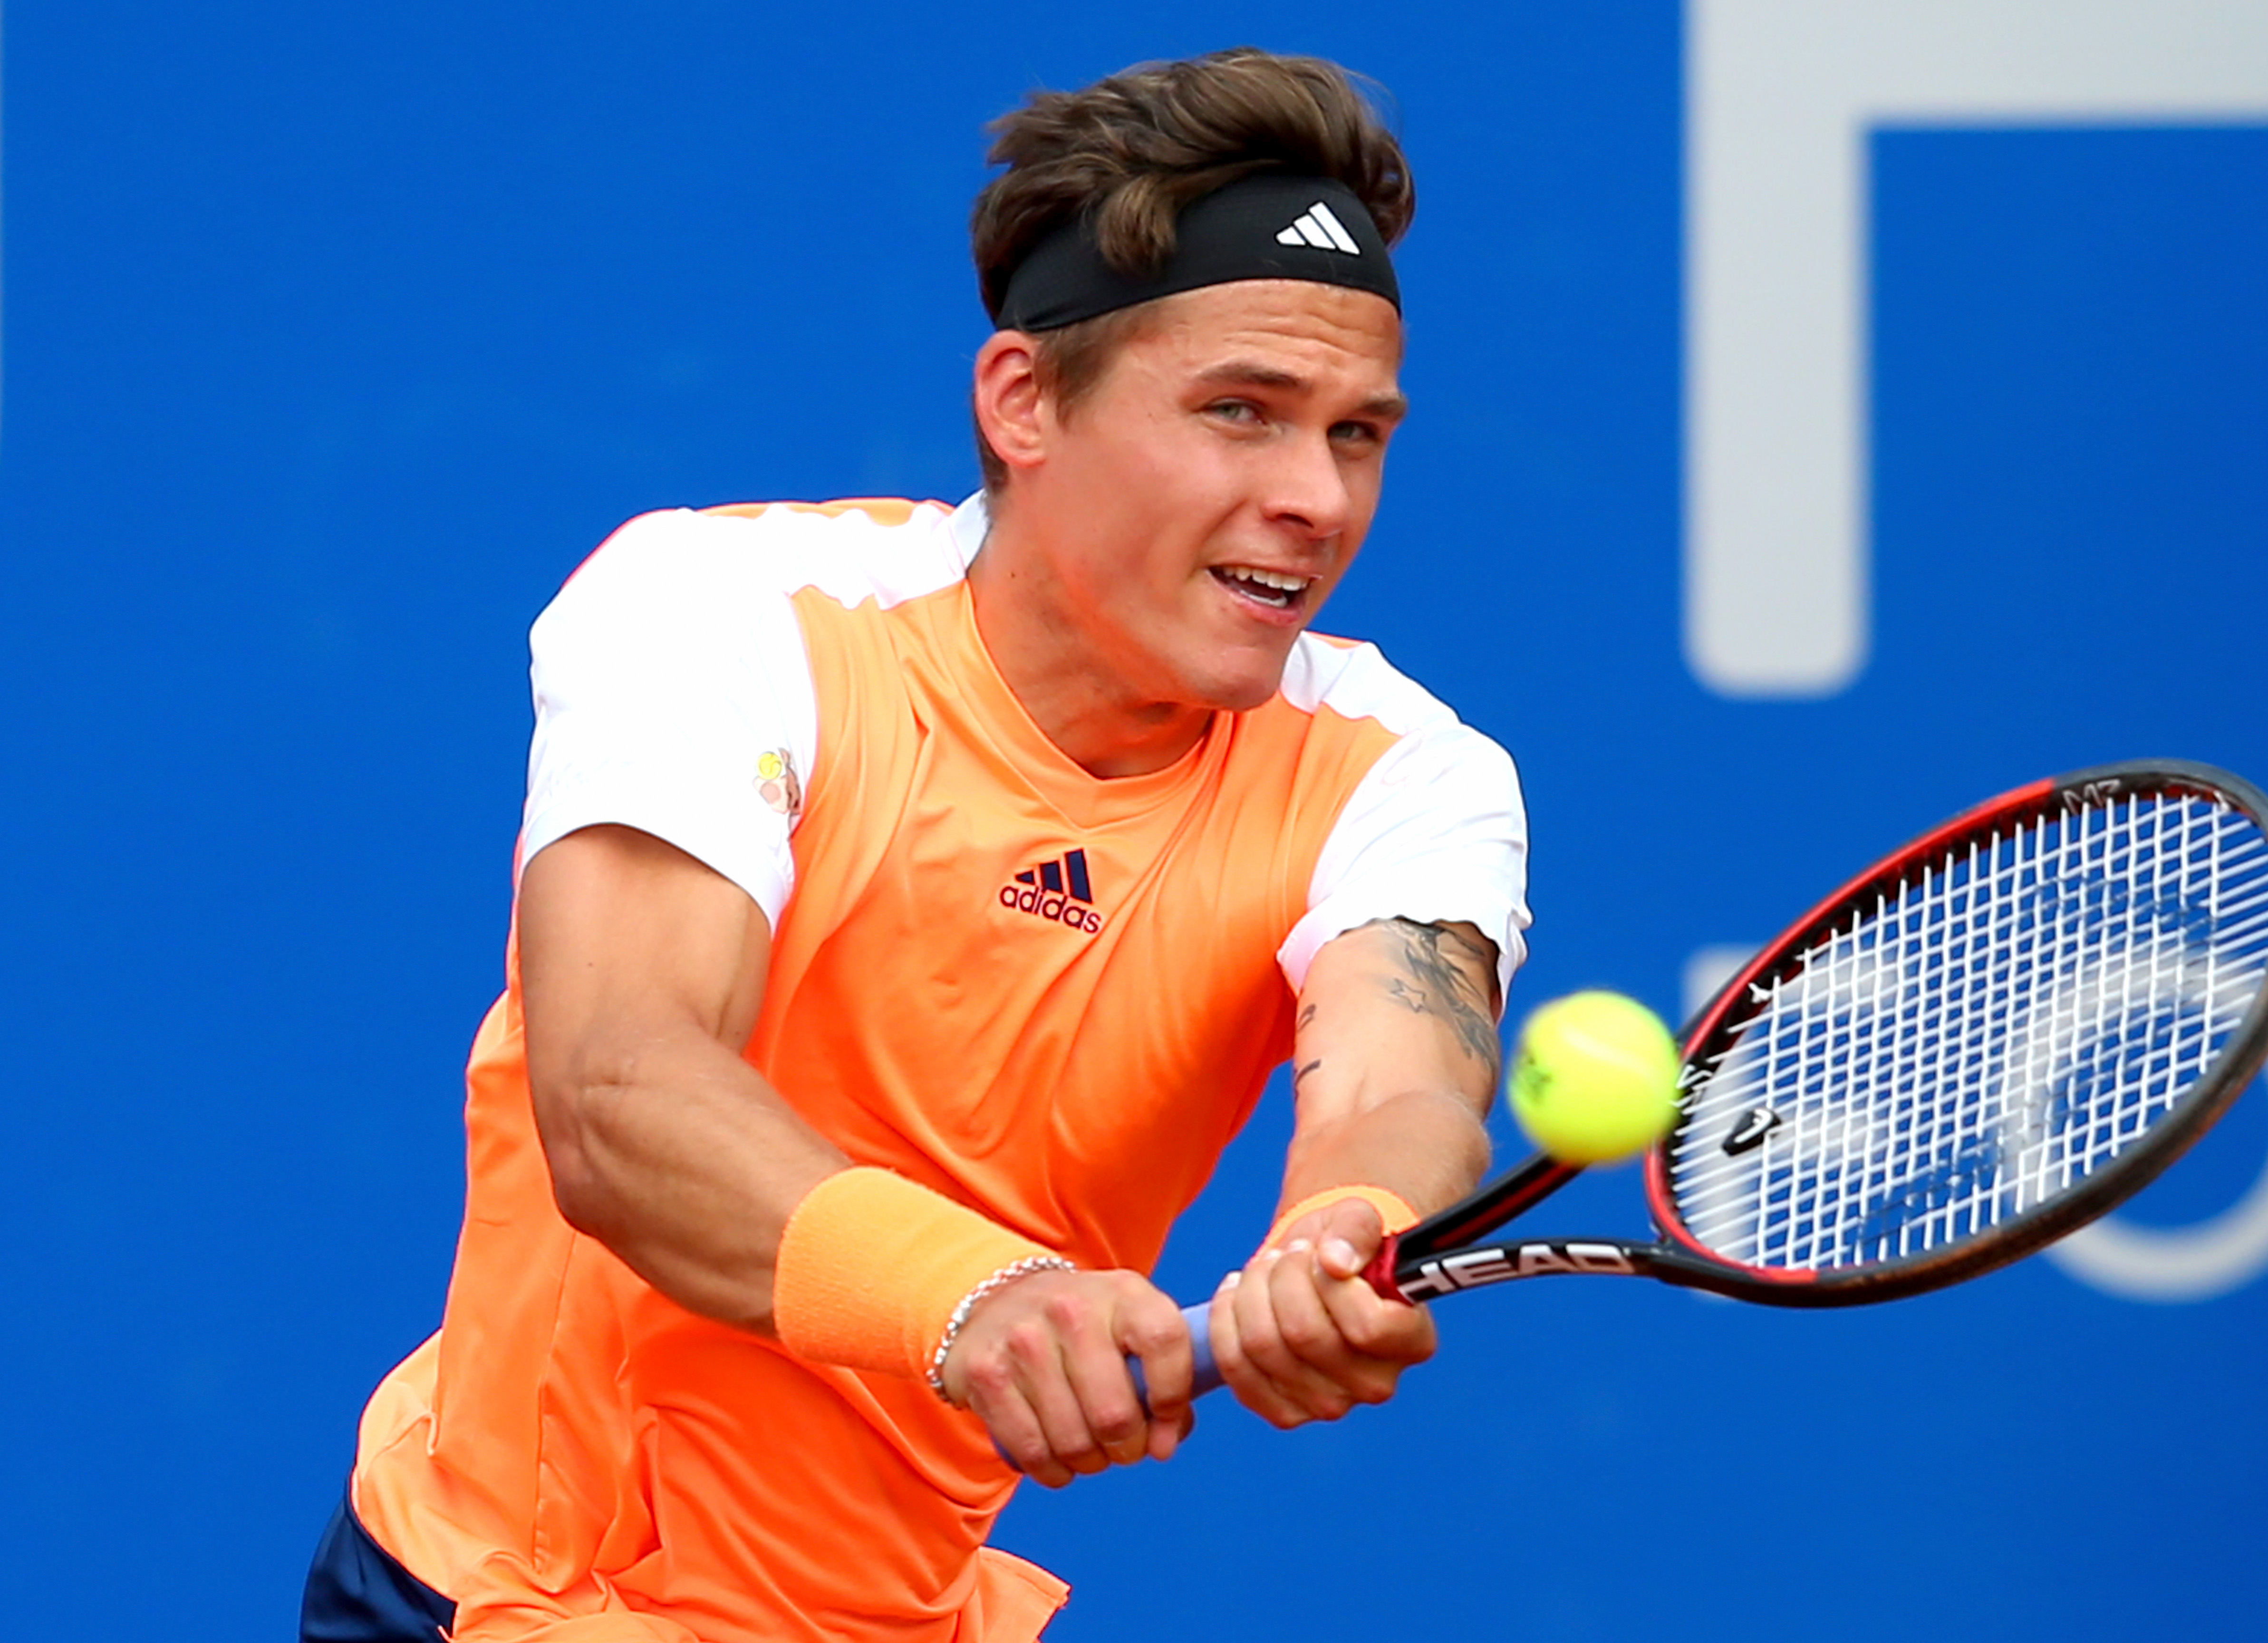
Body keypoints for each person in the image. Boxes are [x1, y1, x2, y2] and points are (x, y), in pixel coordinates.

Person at [301, 46, 1529, 1643]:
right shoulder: (728, 616)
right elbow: (620, 1096)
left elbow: (1396, 1085)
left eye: (1357, 435)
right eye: (1242, 413)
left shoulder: (1408, 774)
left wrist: (1343, 1233)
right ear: (1024, 402)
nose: (1315, 497)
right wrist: (983, 1302)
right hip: (517, 1596)